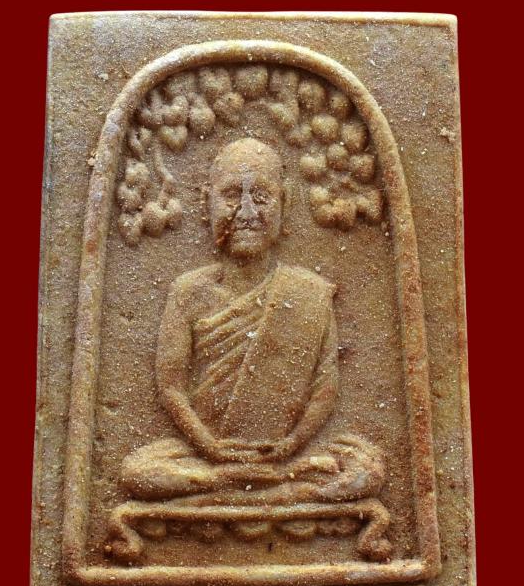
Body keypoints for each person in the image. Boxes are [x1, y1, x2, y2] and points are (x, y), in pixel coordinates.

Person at [121, 138, 383, 505]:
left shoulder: (309, 292)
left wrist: (290, 445)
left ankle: (241, 482)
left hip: (284, 453)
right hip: (204, 454)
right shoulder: (188, 291)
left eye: (261, 197)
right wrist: (210, 448)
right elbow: (171, 386)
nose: (246, 212)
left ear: (285, 204)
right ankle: (250, 483)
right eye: (231, 196)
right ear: (206, 204)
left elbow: (325, 388)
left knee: (366, 468)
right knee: (137, 472)